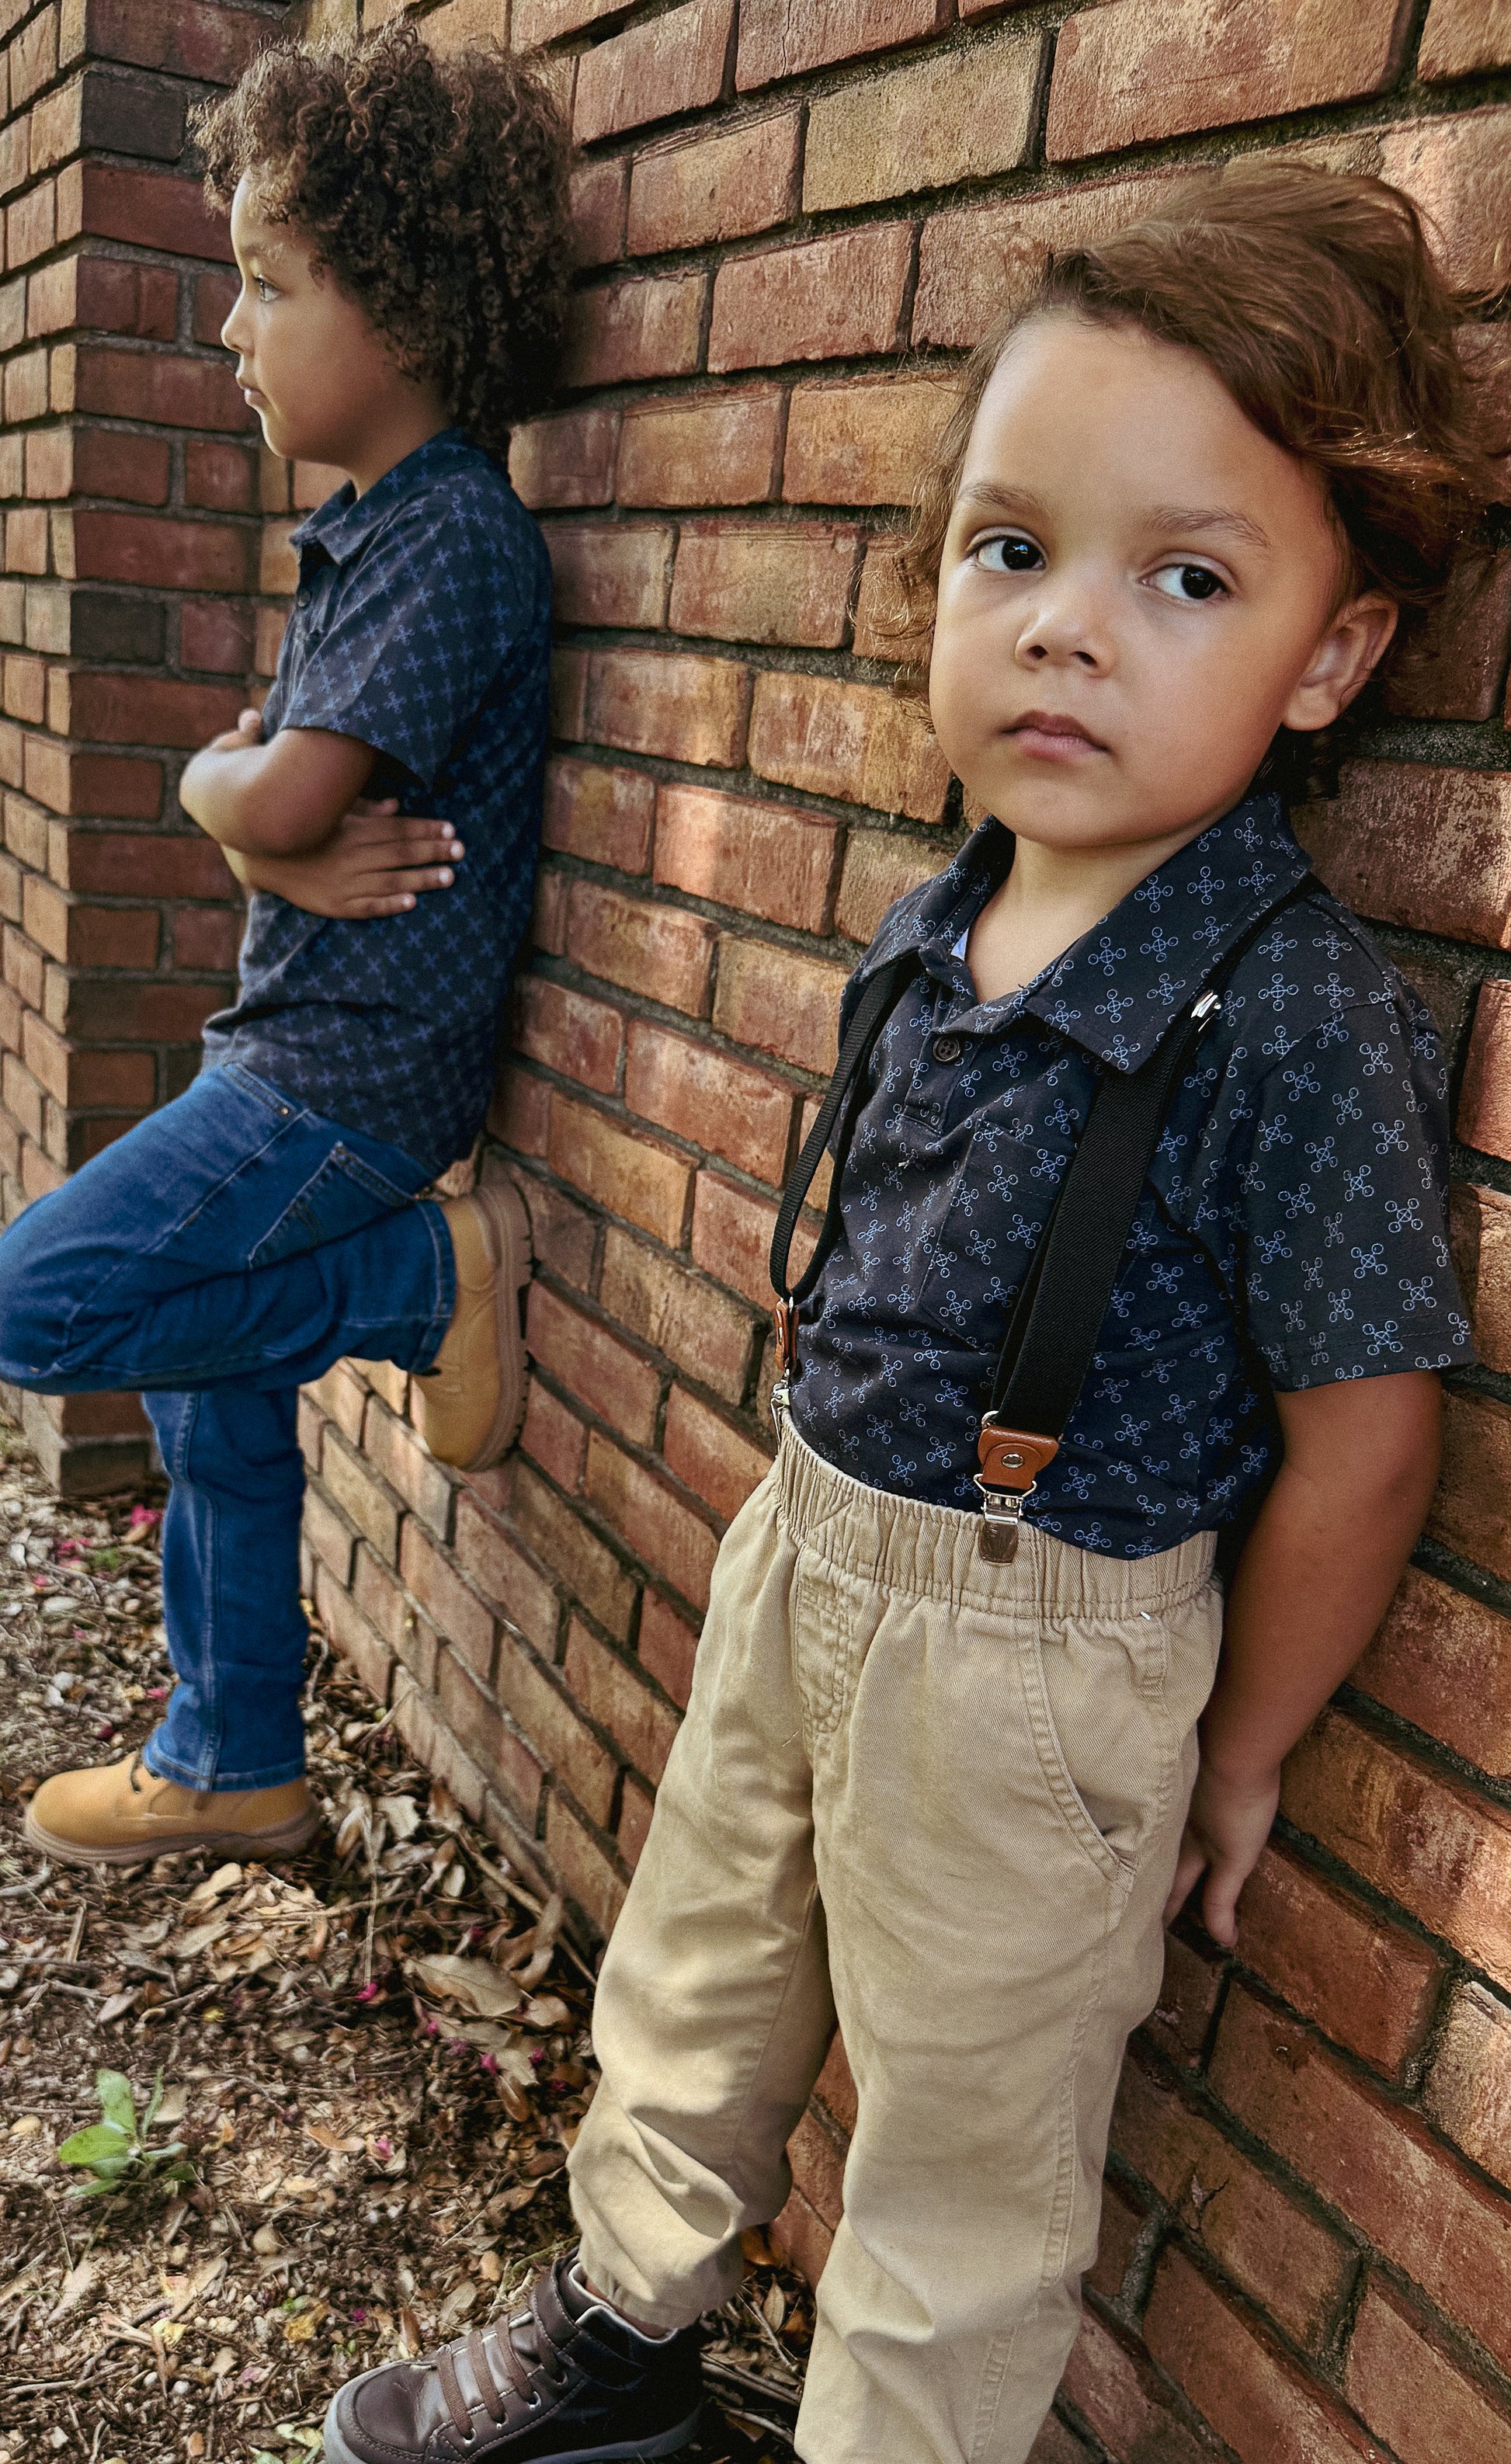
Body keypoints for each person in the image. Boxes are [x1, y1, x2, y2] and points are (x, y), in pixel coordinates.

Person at [325, 162, 1502, 2464]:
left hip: (1044, 1647)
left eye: (1184, 577)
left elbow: (1369, 1426)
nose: (1069, 628)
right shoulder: (933, 920)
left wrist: (1235, 1746)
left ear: (1332, 655)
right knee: (697, 1960)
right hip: (815, 1545)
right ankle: (624, 2336)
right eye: (1010, 549)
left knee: (963, 2162)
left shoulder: (1288, 1013)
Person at [0, 26, 571, 1868]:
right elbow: (266, 807)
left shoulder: (452, 535)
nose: (229, 336)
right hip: (292, 1047)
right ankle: (235, 1752)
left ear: (399, 306)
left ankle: (415, 1288)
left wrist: (237, 804)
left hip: (344, 1084)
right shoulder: (368, 534)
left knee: (36, 1299)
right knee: (207, 1388)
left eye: (266, 285)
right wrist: (244, 811)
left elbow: (286, 792)